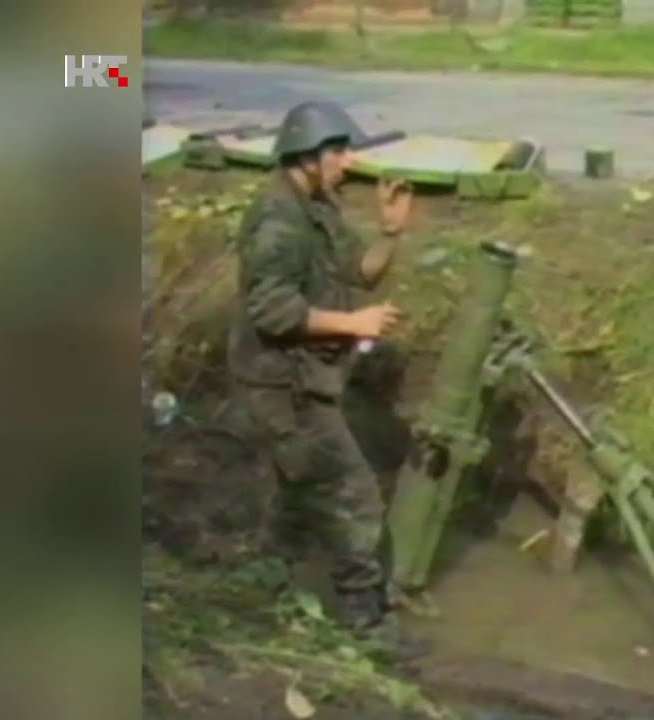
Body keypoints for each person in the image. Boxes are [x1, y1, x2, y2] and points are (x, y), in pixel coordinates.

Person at [228, 100, 427, 660]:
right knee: (353, 494)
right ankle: (365, 622)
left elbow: (358, 272)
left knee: (300, 488)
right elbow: (271, 310)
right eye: (337, 151)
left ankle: (270, 584)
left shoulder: (319, 205)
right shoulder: (277, 222)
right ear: (305, 156)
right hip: (279, 384)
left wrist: (391, 233)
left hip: (306, 375)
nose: (346, 161)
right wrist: (352, 323)